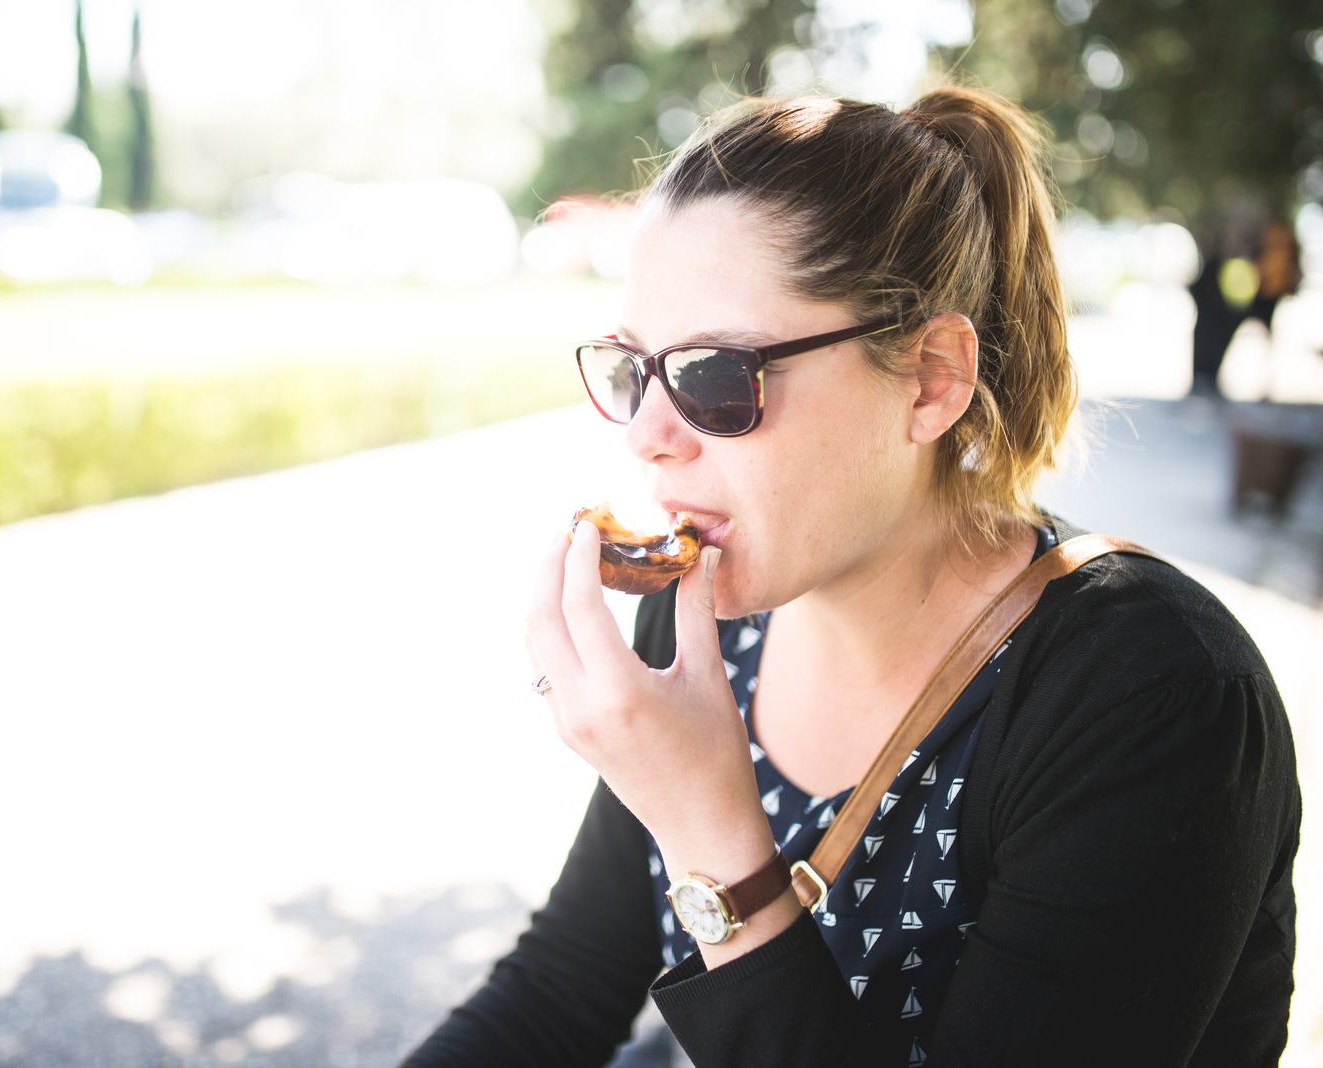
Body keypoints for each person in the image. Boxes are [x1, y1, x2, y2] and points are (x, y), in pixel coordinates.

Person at [402, 86, 1300, 1067]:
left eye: (714, 377)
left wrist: (711, 837)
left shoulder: (1147, 692)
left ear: (928, 379)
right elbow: (562, 984)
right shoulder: (704, 622)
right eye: (633, 370)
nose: (649, 437)